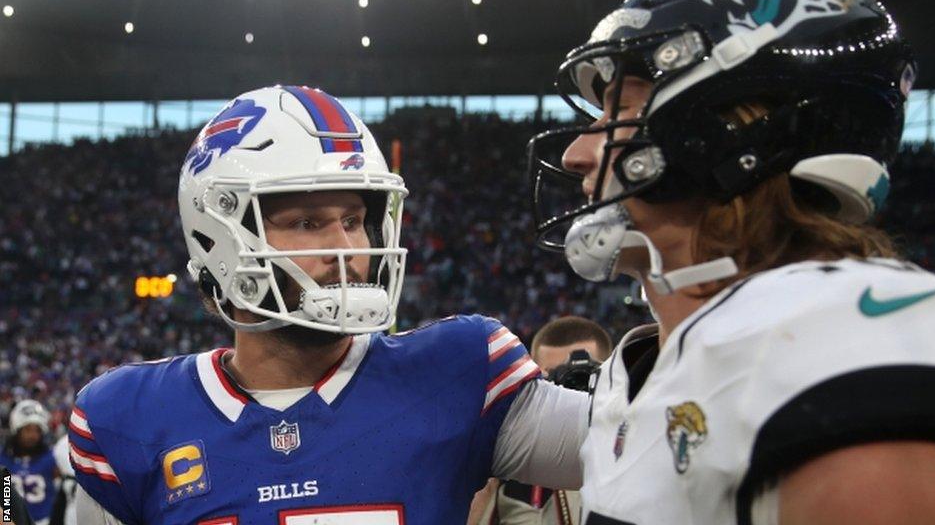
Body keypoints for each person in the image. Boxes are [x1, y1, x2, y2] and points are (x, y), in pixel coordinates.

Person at [527, 0, 935, 524]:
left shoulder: (845, 350)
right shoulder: (642, 365)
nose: (578, 152)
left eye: (626, 107)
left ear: (742, 126)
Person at [69, 85, 589, 524]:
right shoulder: (124, 421)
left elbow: (646, 449)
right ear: (223, 241)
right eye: (307, 222)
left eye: (354, 219)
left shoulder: (459, 371)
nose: (348, 248)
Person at [470, 316, 618, 525]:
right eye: (553, 382)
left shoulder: (634, 458)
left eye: (583, 378)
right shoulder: (501, 469)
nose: (568, 394)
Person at [1, 399, 58, 525]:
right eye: (28, 429)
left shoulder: (52, 457)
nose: (33, 435)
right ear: (17, 429)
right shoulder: (2, 458)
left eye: (37, 430)